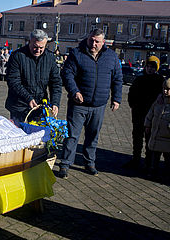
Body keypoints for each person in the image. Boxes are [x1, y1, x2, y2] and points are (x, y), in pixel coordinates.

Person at [58, 29, 123, 179]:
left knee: (93, 136)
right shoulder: (77, 54)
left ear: (103, 42)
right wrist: (75, 91)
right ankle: (65, 164)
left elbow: (117, 79)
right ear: (87, 39)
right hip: (78, 104)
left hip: (99, 106)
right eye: (91, 40)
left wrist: (117, 99)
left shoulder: (111, 57)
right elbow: (67, 74)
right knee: (72, 136)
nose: (93, 44)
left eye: (97, 41)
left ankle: (89, 163)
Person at [5, 29, 62, 124]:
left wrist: (55, 102)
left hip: (40, 106)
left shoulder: (50, 57)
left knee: (39, 136)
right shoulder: (17, 56)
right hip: (19, 106)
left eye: (41, 48)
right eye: (35, 47)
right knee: (19, 135)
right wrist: (28, 98)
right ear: (29, 42)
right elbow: (13, 82)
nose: (38, 50)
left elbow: (56, 82)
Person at [125, 56, 164, 169]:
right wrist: (133, 106)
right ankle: (135, 159)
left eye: (152, 67)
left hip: (152, 116)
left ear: (156, 68)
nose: (150, 69)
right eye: (148, 66)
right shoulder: (139, 80)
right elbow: (131, 95)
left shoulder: (160, 81)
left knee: (149, 139)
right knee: (137, 138)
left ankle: (148, 162)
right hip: (138, 114)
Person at [144, 78, 170, 179]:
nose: (165, 91)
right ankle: (152, 170)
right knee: (155, 155)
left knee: (168, 158)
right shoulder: (159, 101)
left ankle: (167, 173)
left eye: (168, 89)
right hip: (156, 134)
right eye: (164, 88)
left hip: (167, 136)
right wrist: (147, 124)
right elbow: (151, 112)